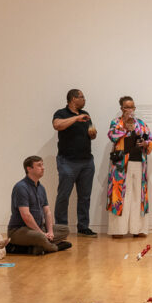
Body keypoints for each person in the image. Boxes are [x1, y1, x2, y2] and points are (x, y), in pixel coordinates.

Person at [107, 96, 152, 238]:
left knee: (137, 195)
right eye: (127, 107)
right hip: (121, 164)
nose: (130, 110)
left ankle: (138, 229)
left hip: (139, 162)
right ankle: (118, 230)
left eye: (132, 107)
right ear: (121, 108)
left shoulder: (141, 123)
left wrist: (146, 144)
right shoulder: (116, 122)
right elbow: (112, 136)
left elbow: (151, 139)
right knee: (120, 195)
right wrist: (126, 128)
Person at [52, 88, 97, 237]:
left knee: (85, 196)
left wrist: (92, 133)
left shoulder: (87, 115)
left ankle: (83, 227)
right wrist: (76, 119)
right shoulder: (61, 113)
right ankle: (61, 228)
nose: (85, 100)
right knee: (64, 195)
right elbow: (57, 125)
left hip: (86, 162)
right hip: (67, 162)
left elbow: (92, 132)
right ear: (73, 99)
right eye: (82, 97)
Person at [8, 156, 71, 254]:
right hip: (19, 230)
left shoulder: (41, 188)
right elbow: (26, 216)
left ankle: (38, 247)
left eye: (42, 165)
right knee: (40, 237)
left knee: (65, 229)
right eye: (39, 165)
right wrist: (42, 233)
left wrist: (50, 232)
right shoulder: (21, 187)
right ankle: (54, 248)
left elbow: (47, 212)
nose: (43, 168)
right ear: (29, 169)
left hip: (39, 227)